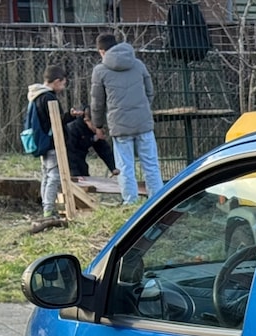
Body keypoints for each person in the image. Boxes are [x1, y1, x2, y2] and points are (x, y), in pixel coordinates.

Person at [90, 33, 164, 206]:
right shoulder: (137, 64)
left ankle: (130, 203)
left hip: (120, 125)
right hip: (143, 123)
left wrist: (98, 124)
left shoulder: (100, 70)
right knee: (151, 165)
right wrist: (142, 109)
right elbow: (150, 91)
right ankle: (158, 202)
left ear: (102, 51)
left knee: (125, 166)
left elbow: (97, 103)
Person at [26, 64, 73, 219]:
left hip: (42, 142)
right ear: (57, 81)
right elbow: (57, 121)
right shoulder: (49, 97)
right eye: (63, 83)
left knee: (46, 175)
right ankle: (49, 209)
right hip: (53, 143)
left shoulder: (36, 96)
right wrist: (71, 116)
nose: (63, 87)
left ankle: (46, 207)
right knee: (54, 176)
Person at [65, 107, 118, 179]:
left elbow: (104, 149)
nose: (100, 129)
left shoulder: (94, 131)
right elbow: (69, 154)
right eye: (96, 125)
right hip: (68, 162)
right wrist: (75, 174)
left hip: (81, 159)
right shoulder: (73, 129)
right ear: (86, 120)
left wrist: (113, 167)